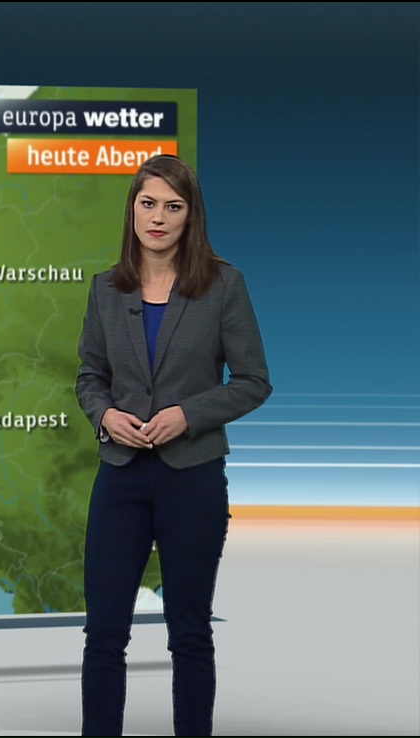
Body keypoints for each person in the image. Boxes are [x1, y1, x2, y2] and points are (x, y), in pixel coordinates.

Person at [74, 154, 273, 736]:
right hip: (122, 476)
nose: (158, 217)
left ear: (191, 215)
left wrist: (188, 415)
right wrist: (106, 415)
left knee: (189, 631)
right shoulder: (106, 289)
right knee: (103, 634)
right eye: (148, 204)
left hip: (193, 478)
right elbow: (89, 377)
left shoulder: (223, 286)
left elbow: (254, 381)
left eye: (173, 206)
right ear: (132, 210)